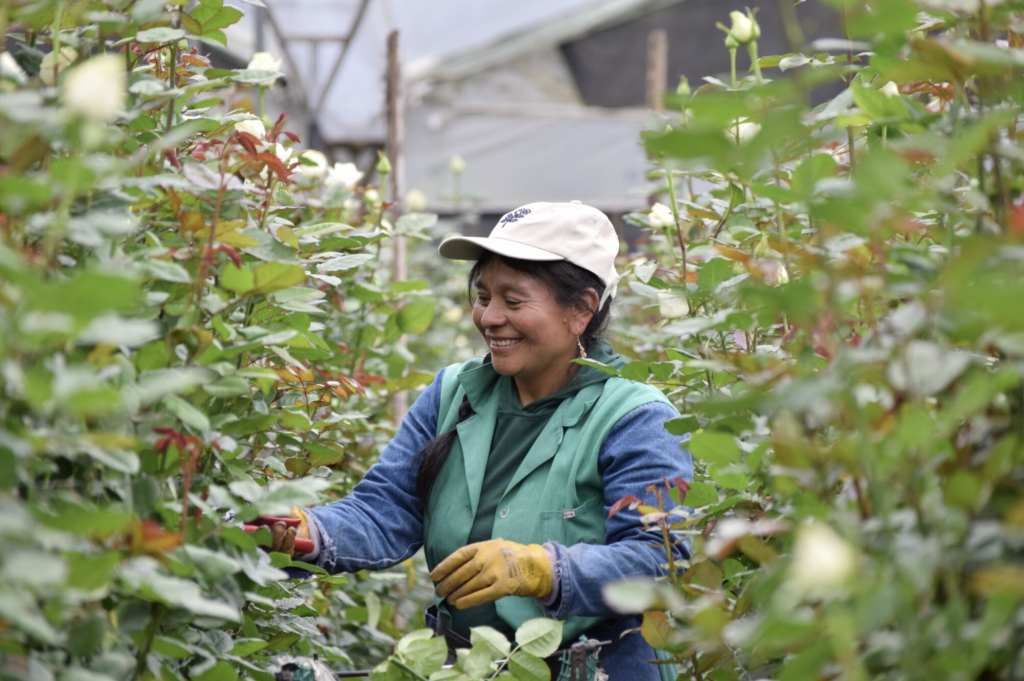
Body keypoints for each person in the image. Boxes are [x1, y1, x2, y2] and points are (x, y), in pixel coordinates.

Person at [263, 201, 693, 680]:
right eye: (483, 295)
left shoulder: (636, 419)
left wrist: (542, 569)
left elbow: (663, 562)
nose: (488, 317)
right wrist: (303, 532)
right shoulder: (455, 393)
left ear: (581, 310)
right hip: (464, 666)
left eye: (513, 301)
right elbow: (385, 508)